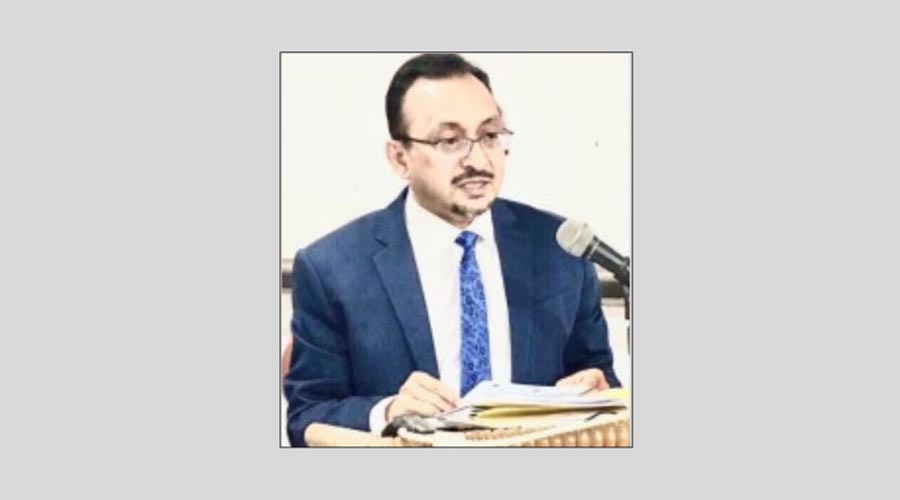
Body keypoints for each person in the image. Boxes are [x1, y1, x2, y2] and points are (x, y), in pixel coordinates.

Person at [284, 53, 620, 446]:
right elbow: (307, 415)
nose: (478, 160)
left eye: (490, 136)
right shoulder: (333, 268)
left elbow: (600, 380)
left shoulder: (560, 251)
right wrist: (388, 411)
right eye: (449, 141)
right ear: (399, 158)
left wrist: (595, 390)